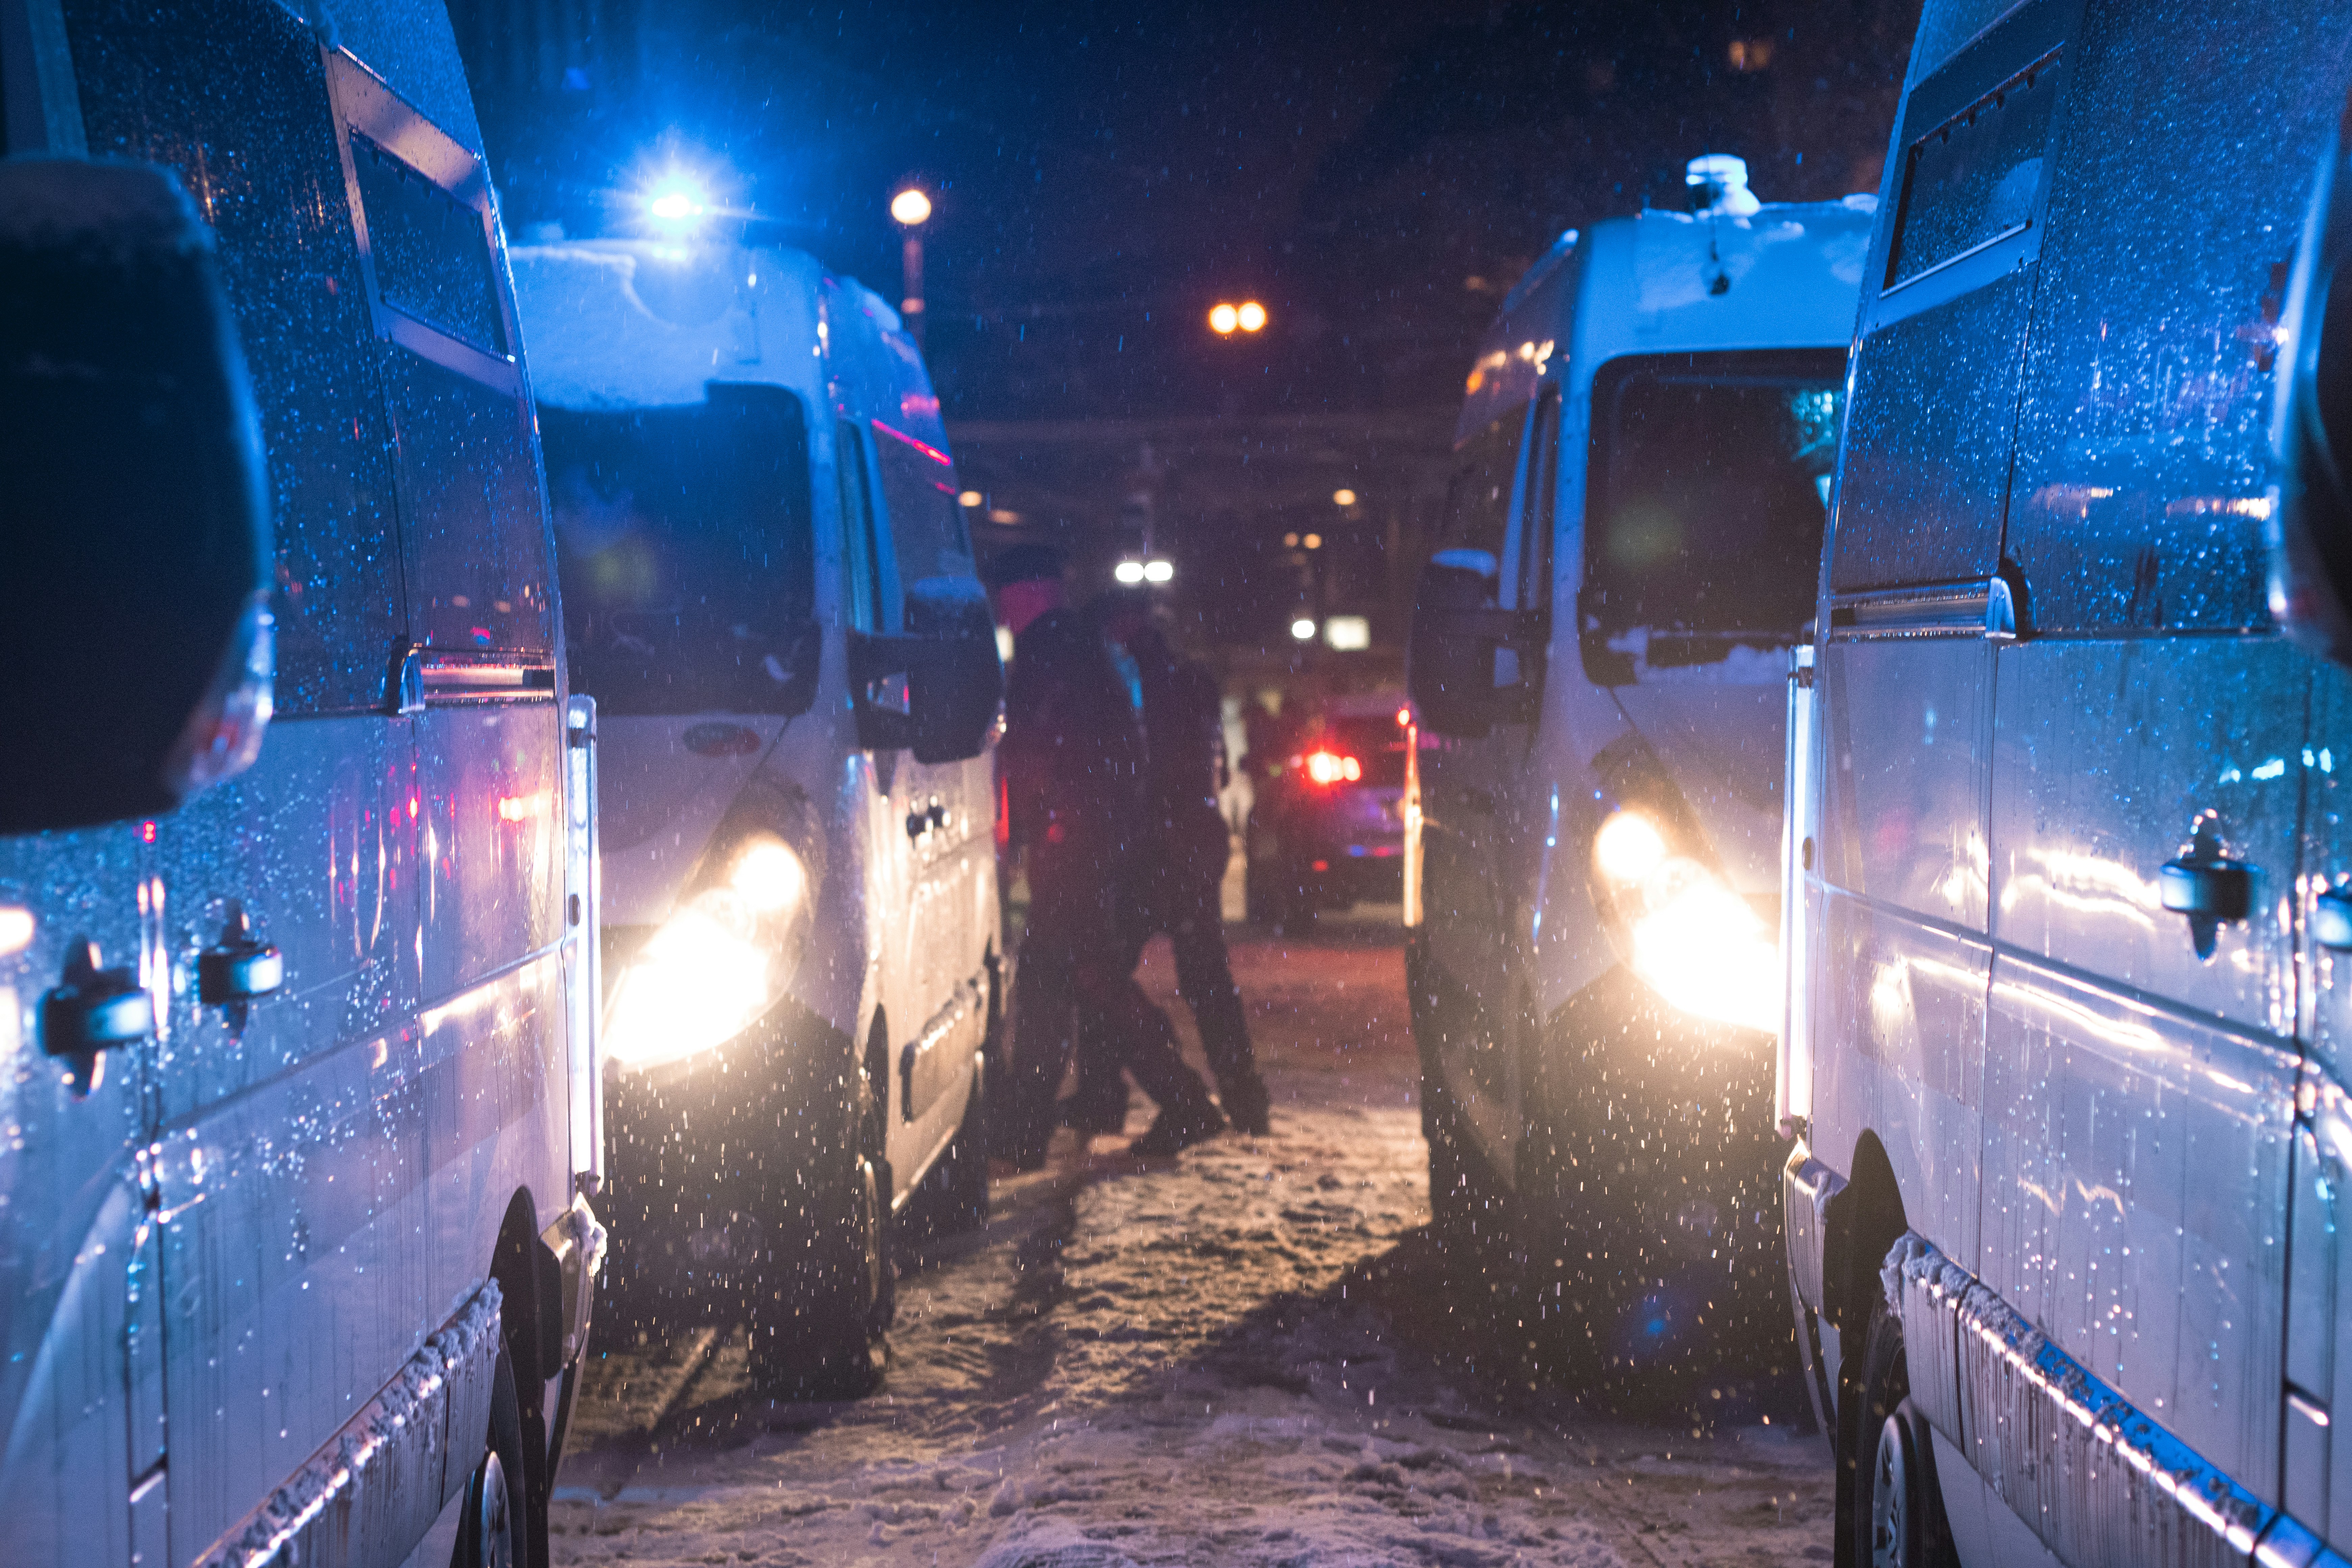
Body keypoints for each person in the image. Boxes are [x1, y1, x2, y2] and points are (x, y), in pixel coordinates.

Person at [997, 602, 1226, 1167]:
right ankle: (1165, 1099)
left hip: (1077, 845)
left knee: (1069, 979)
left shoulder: (1054, 657)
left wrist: (1041, 822)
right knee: (1085, 977)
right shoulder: (1094, 664)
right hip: (1094, 844)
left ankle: (1174, 1100)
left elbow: (1042, 752)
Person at [1067, 594, 1272, 1136]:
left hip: (1155, 848)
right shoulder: (1192, 682)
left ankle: (1132, 1097)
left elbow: (1135, 768)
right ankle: (1244, 1099)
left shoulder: (1133, 685)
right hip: (1194, 841)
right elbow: (1214, 768)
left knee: (1103, 972)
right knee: (1207, 980)